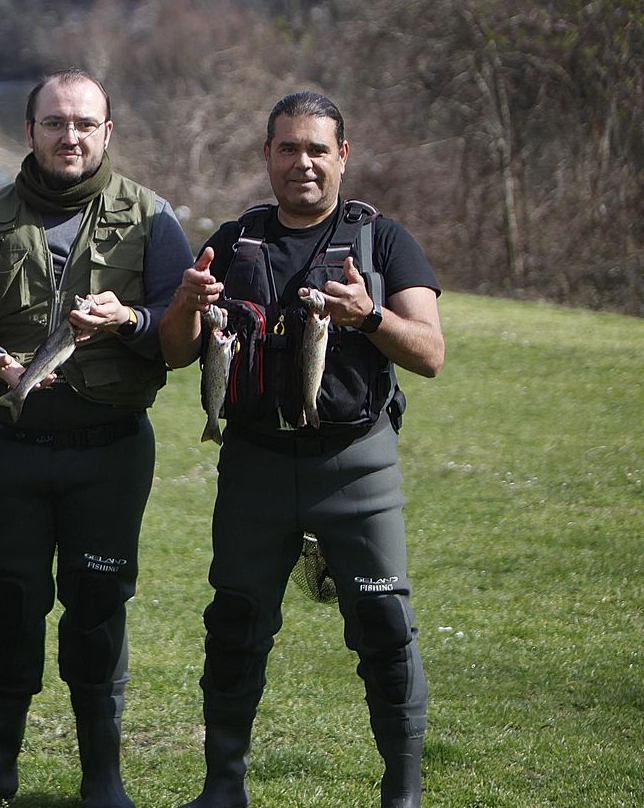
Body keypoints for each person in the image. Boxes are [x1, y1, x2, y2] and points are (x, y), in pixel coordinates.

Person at [158, 91, 444, 808]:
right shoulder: (231, 238)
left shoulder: (385, 241)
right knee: (235, 625)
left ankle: (401, 792)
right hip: (253, 464)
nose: (303, 163)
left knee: (384, 627)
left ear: (343, 155)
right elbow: (174, 352)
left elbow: (431, 353)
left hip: (357, 466)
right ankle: (222, 788)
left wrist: (369, 315)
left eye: (318, 149)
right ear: (267, 156)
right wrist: (190, 303)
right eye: (288, 148)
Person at [0, 69, 191, 808]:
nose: (71, 136)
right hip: (12, 452)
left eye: (86, 123)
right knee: (8, 604)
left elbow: (180, 339)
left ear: (108, 133)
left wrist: (131, 320)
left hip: (111, 452)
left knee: (97, 607)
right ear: (31, 132)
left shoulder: (152, 220)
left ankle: (102, 776)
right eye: (55, 123)